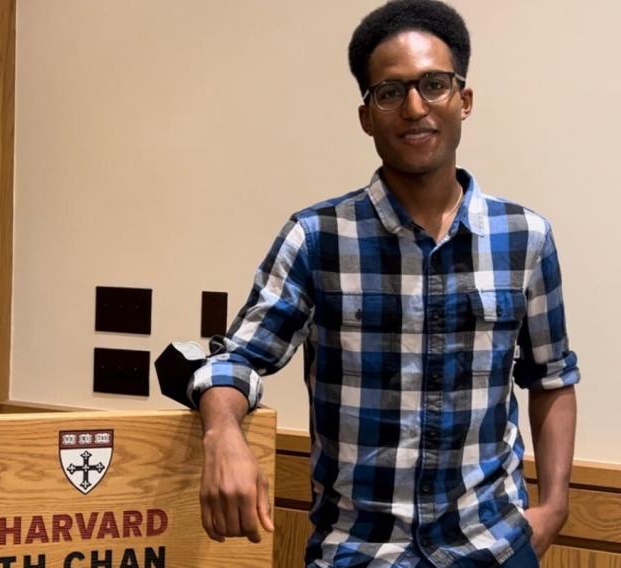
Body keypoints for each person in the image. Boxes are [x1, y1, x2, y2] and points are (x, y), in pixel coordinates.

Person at [186, 1, 579, 566]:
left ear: (464, 100)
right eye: (390, 92)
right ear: (367, 115)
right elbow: (235, 359)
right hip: (360, 552)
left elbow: (551, 376)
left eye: (434, 85)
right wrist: (222, 433)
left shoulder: (525, 237)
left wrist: (557, 505)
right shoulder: (316, 237)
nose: (415, 108)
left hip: (492, 547)